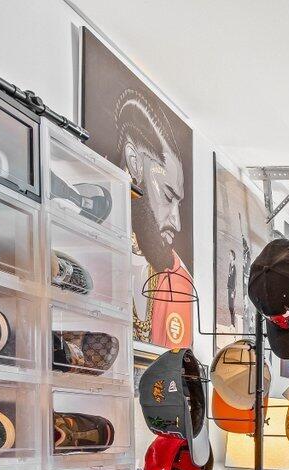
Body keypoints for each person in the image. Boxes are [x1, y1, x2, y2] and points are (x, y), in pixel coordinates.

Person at [116, 88, 192, 347]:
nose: (176, 222)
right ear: (134, 163)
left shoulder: (179, 280)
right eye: (168, 195)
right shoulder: (93, 245)